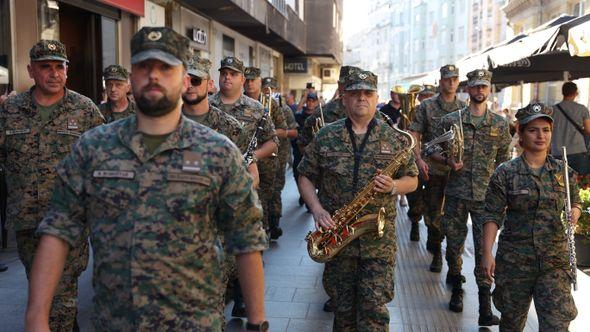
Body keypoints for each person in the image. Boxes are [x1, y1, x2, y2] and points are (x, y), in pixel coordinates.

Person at [25, 27, 269, 332]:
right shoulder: (93, 148)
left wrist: (257, 321)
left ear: (183, 80)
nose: (154, 76)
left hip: (194, 323)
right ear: (132, 79)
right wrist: (36, 318)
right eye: (144, 67)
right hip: (117, 322)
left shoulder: (217, 152)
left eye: (166, 67)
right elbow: (58, 231)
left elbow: (246, 238)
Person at [298, 70, 418, 330]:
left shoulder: (394, 138)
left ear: (377, 98)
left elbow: (413, 179)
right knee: (342, 314)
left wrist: (394, 186)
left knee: (374, 313)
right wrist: (317, 210)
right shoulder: (326, 136)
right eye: (355, 93)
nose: (361, 98)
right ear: (344, 98)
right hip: (337, 240)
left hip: (378, 243)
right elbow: (305, 176)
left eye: (368, 93)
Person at [0, 39, 104, 331]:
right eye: (46, 67)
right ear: (31, 70)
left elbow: (104, 162)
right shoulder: (10, 111)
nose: (54, 73)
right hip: (27, 222)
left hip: (70, 222)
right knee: (41, 289)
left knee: (61, 294)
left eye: (60, 67)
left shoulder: (85, 110)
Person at [482, 103, 579, 331]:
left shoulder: (563, 171)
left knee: (557, 325)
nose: (540, 135)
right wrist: (487, 253)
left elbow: (575, 201)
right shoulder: (505, 173)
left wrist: (574, 211)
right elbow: (492, 216)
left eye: (545, 130)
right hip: (515, 262)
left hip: (554, 262)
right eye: (533, 130)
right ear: (521, 133)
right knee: (512, 324)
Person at [433, 69, 511, 326]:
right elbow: (431, 149)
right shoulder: (451, 120)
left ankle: (484, 307)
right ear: (468, 89)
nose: (479, 91)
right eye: (475, 86)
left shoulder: (499, 125)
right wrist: (447, 160)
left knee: (484, 250)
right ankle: (456, 287)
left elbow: (503, 161)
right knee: (454, 245)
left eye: (484, 87)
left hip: (485, 199)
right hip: (456, 194)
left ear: (489, 90)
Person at [209, 57, 277, 319]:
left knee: (242, 244)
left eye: (233, 74)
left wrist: (252, 158)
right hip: (212, 188)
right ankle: (220, 298)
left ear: (242, 79)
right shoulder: (207, 104)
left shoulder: (256, 109)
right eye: (223, 73)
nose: (227, 78)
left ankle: (241, 297)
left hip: (243, 186)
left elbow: (272, 142)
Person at [408, 65, 467, 273]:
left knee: (454, 219)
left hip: (457, 174)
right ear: (440, 82)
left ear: (458, 81)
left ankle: (452, 263)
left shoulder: (464, 107)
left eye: (454, 79)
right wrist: (418, 159)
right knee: (433, 215)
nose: (451, 82)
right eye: (447, 79)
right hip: (433, 171)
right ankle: (436, 250)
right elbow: (414, 133)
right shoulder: (427, 106)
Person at [243, 67, 287, 240]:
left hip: (266, 158)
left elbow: (284, 130)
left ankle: (265, 230)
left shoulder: (271, 104)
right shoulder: (239, 102)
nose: (249, 83)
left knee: (265, 197)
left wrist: (267, 133)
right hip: (245, 158)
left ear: (260, 82)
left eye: (253, 80)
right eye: (246, 79)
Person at [263, 77, 298, 240]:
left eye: (272, 88)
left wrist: (271, 131)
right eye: (266, 87)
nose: (269, 90)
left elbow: (294, 132)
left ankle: (274, 221)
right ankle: (265, 222)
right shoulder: (257, 107)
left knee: (276, 188)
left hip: (280, 153)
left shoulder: (285, 110)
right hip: (261, 154)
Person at [551, 81, 590, 175]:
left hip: (557, 151)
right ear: (575, 93)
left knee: (559, 184)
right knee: (581, 184)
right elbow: (588, 130)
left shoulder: (553, 110)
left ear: (562, 92)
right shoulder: (582, 109)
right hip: (578, 151)